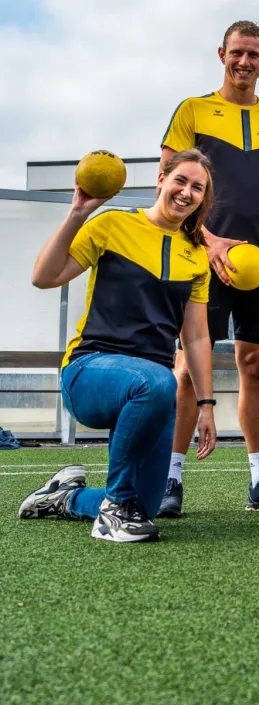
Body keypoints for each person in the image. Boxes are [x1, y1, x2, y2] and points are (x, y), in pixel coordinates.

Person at [19, 150, 217, 542]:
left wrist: (207, 405)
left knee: (146, 504)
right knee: (158, 382)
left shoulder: (196, 256)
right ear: (161, 180)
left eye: (198, 188)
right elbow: (44, 277)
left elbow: (195, 336)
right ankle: (112, 514)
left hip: (152, 389)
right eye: (180, 180)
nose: (186, 192)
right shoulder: (112, 224)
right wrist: (78, 213)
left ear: (202, 199)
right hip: (89, 371)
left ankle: (66, 498)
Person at [159, 20, 259, 516]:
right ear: (221, 54)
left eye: (253, 54)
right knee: (187, 370)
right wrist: (209, 239)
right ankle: (170, 477)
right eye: (237, 52)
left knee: (257, 367)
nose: (244, 61)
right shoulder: (192, 110)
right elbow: (167, 180)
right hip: (199, 257)